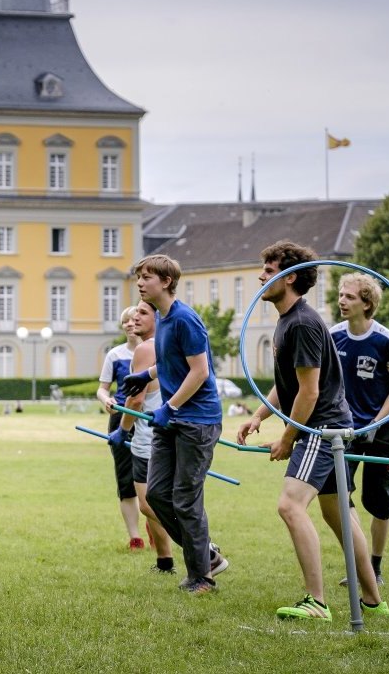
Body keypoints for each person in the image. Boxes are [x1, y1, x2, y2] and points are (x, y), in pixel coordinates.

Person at [236, 241, 388, 620]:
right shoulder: (290, 320)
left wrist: (289, 437)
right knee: (339, 514)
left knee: (290, 506)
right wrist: (259, 416)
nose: (260, 277)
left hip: (320, 430)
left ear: (289, 278)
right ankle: (373, 600)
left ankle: (316, 602)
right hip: (326, 426)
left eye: (269, 272)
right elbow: (289, 381)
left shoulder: (301, 323)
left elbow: (309, 390)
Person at [122, 254, 227, 594]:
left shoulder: (184, 320)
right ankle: (207, 555)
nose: (140, 283)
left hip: (196, 421)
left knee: (185, 498)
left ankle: (202, 577)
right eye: (139, 277)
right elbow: (171, 362)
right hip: (173, 419)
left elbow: (200, 371)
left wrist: (170, 405)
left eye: (147, 277)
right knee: (155, 494)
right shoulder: (164, 320)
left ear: (165, 282)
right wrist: (146, 375)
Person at [330, 272, 389, 587]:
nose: (342, 301)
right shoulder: (333, 336)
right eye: (341, 295)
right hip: (344, 431)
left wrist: (377, 421)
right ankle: (360, 566)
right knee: (340, 496)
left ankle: (375, 565)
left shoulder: (385, 340)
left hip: (382, 432)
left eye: (349, 297)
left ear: (367, 303)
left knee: (380, 503)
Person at [113, 301, 175, 574]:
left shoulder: (145, 349)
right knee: (157, 500)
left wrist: (122, 430)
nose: (134, 318)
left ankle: (203, 545)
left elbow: (135, 399)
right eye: (134, 312)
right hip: (169, 433)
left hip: (149, 438)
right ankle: (164, 560)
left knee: (149, 504)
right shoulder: (170, 344)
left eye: (142, 313)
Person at [97, 306, 144, 550]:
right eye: (125, 321)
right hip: (120, 418)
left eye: (133, 320)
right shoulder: (115, 355)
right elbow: (102, 388)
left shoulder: (155, 351)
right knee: (126, 479)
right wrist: (107, 400)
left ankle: (155, 522)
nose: (129, 325)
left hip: (148, 419)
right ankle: (135, 536)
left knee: (150, 477)